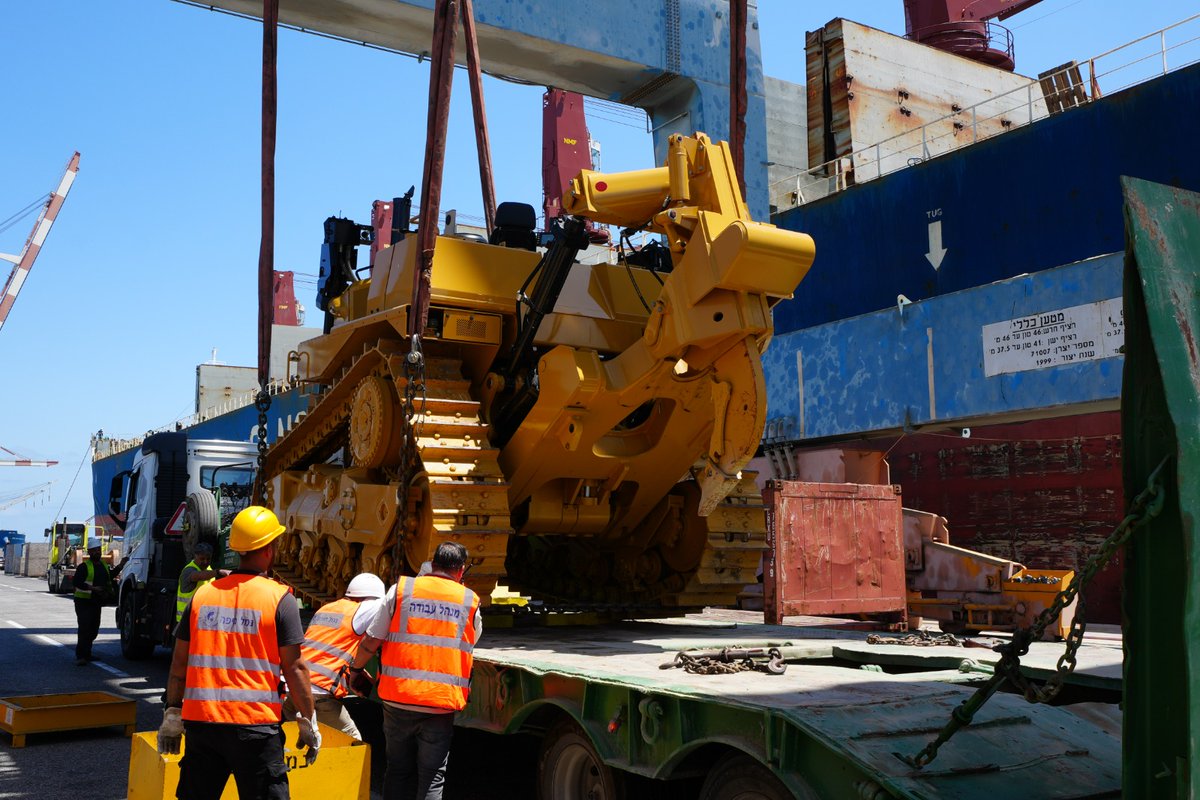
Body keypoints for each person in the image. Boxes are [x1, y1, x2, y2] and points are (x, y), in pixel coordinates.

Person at [156, 506, 320, 800]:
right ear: (269, 549)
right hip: (255, 728)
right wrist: (308, 721)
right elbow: (295, 669)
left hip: (203, 726)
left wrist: (172, 713)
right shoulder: (279, 599)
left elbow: (179, 666)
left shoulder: (202, 596)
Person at [349, 542, 481, 800]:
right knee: (432, 776)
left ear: (433, 564)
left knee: (397, 769)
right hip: (440, 703)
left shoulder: (401, 590)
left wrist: (356, 670)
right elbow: (471, 641)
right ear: (461, 570)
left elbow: (372, 640)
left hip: (398, 697)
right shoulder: (469, 600)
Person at [281, 572, 385, 741]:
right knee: (353, 742)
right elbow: (385, 604)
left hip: (291, 688)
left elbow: (328, 649)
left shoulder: (327, 608)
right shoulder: (363, 609)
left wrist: (354, 670)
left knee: (302, 741)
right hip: (318, 694)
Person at [72, 539, 112, 665]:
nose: (97, 552)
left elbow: (109, 577)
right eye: (94, 550)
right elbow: (76, 582)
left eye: (99, 550)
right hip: (83, 602)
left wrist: (121, 565)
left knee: (94, 629)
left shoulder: (104, 566)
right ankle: (81, 656)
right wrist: (93, 588)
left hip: (96, 602)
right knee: (84, 628)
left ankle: (87, 654)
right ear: (89, 552)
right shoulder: (84, 567)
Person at [176, 542, 218, 624]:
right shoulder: (188, 570)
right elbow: (199, 576)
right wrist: (218, 572)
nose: (205, 562)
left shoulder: (209, 570)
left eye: (208, 559)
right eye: (202, 559)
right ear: (195, 556)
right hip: (186, 621)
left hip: (202, 620)